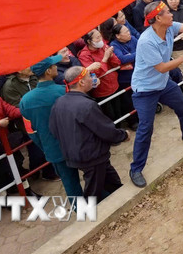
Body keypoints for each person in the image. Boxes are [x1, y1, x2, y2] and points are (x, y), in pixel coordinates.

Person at [128, 1, 183, 188]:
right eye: (167, 12)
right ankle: (136, 169)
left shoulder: (169, 27)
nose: (172, 14)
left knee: (182, 104)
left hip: (163, 83)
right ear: (158, 18)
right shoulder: (146, 41)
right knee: (145, 127)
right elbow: (162, 67)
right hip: (145, 90)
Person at [49, 67, 129, 201]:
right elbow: (105, 130)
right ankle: (90, 212)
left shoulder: (59, 102)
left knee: (111, 181)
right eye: (89, 77)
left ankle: (122, 198)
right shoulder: (87, 105)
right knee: (93, 191)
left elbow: (53, 129)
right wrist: (123, 135)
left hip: (76, 154)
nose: (92, 79)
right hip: (91, 156)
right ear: (81, 82)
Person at [19, 56, 84, 198]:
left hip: (53, 149)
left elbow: (31, 132)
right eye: (54, 65)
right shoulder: (64, 90)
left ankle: (80, 208)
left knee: (70, 184)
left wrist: (46, 146)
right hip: (78, 144)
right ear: (48, 71)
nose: (56, 67)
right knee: (94, 174)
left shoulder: (25, 101)